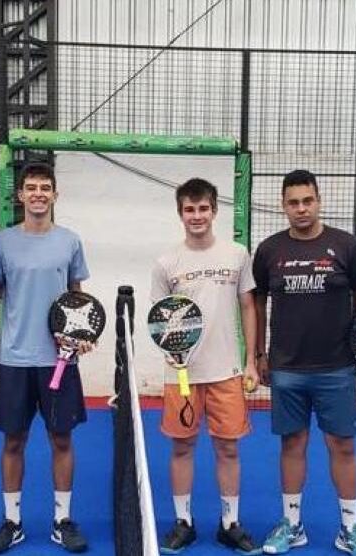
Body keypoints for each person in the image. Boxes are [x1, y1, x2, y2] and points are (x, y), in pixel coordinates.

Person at [253, 169, 356, 556]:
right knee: (292, 444)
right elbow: (256, 302)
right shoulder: (269, 250)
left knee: (342, 446)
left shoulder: (345, 245)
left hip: (337, 367)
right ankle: (292, 524)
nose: (301, 208)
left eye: (308, 200)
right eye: (293, 202)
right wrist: (257, 354)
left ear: (318, 200)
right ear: (283, 205)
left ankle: (350, 529)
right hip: (286, 367)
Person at [0, 162, 93, 554]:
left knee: (61, 439)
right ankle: (11, 522)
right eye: (31, 187)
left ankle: (62, 519)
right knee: (13, 441)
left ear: (55, 195)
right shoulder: (2, 242)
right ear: (20, 195)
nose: (38, 194)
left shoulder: (70, 241)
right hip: (15, 359)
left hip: (60, 360)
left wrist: (78, 337)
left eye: (45, 187)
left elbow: (77, 296)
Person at [150, 178, 262, 555]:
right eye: (189, 209)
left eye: (203, 209)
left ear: (214, 211)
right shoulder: (167, 261)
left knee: (228, 449)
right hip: (181, 374)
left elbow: (248, 306)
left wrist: (250, 361)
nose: (196, 216)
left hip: (227, 372)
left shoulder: (236, 254)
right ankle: (184, 522)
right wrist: (170, 352)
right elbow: (157, 318)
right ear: (180, 213)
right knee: (182, 447)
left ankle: (230, 523)